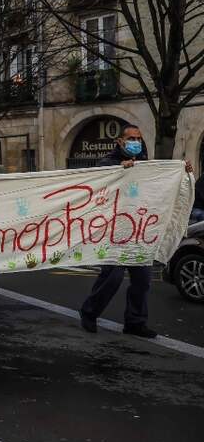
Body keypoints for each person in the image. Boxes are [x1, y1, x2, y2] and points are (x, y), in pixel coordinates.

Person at [80, 124, 195, 338]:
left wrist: (182, 171)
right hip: (115, 233)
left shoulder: (146, 166)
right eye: (131, 138)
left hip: (139, 232)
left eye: (139, 138)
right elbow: (101, 184)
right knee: (111, 278)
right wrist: (119, 171)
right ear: (120, 141)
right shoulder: (108, 163)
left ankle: (135, 322)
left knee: (142, 281)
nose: (136, 142)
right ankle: (89, 312)